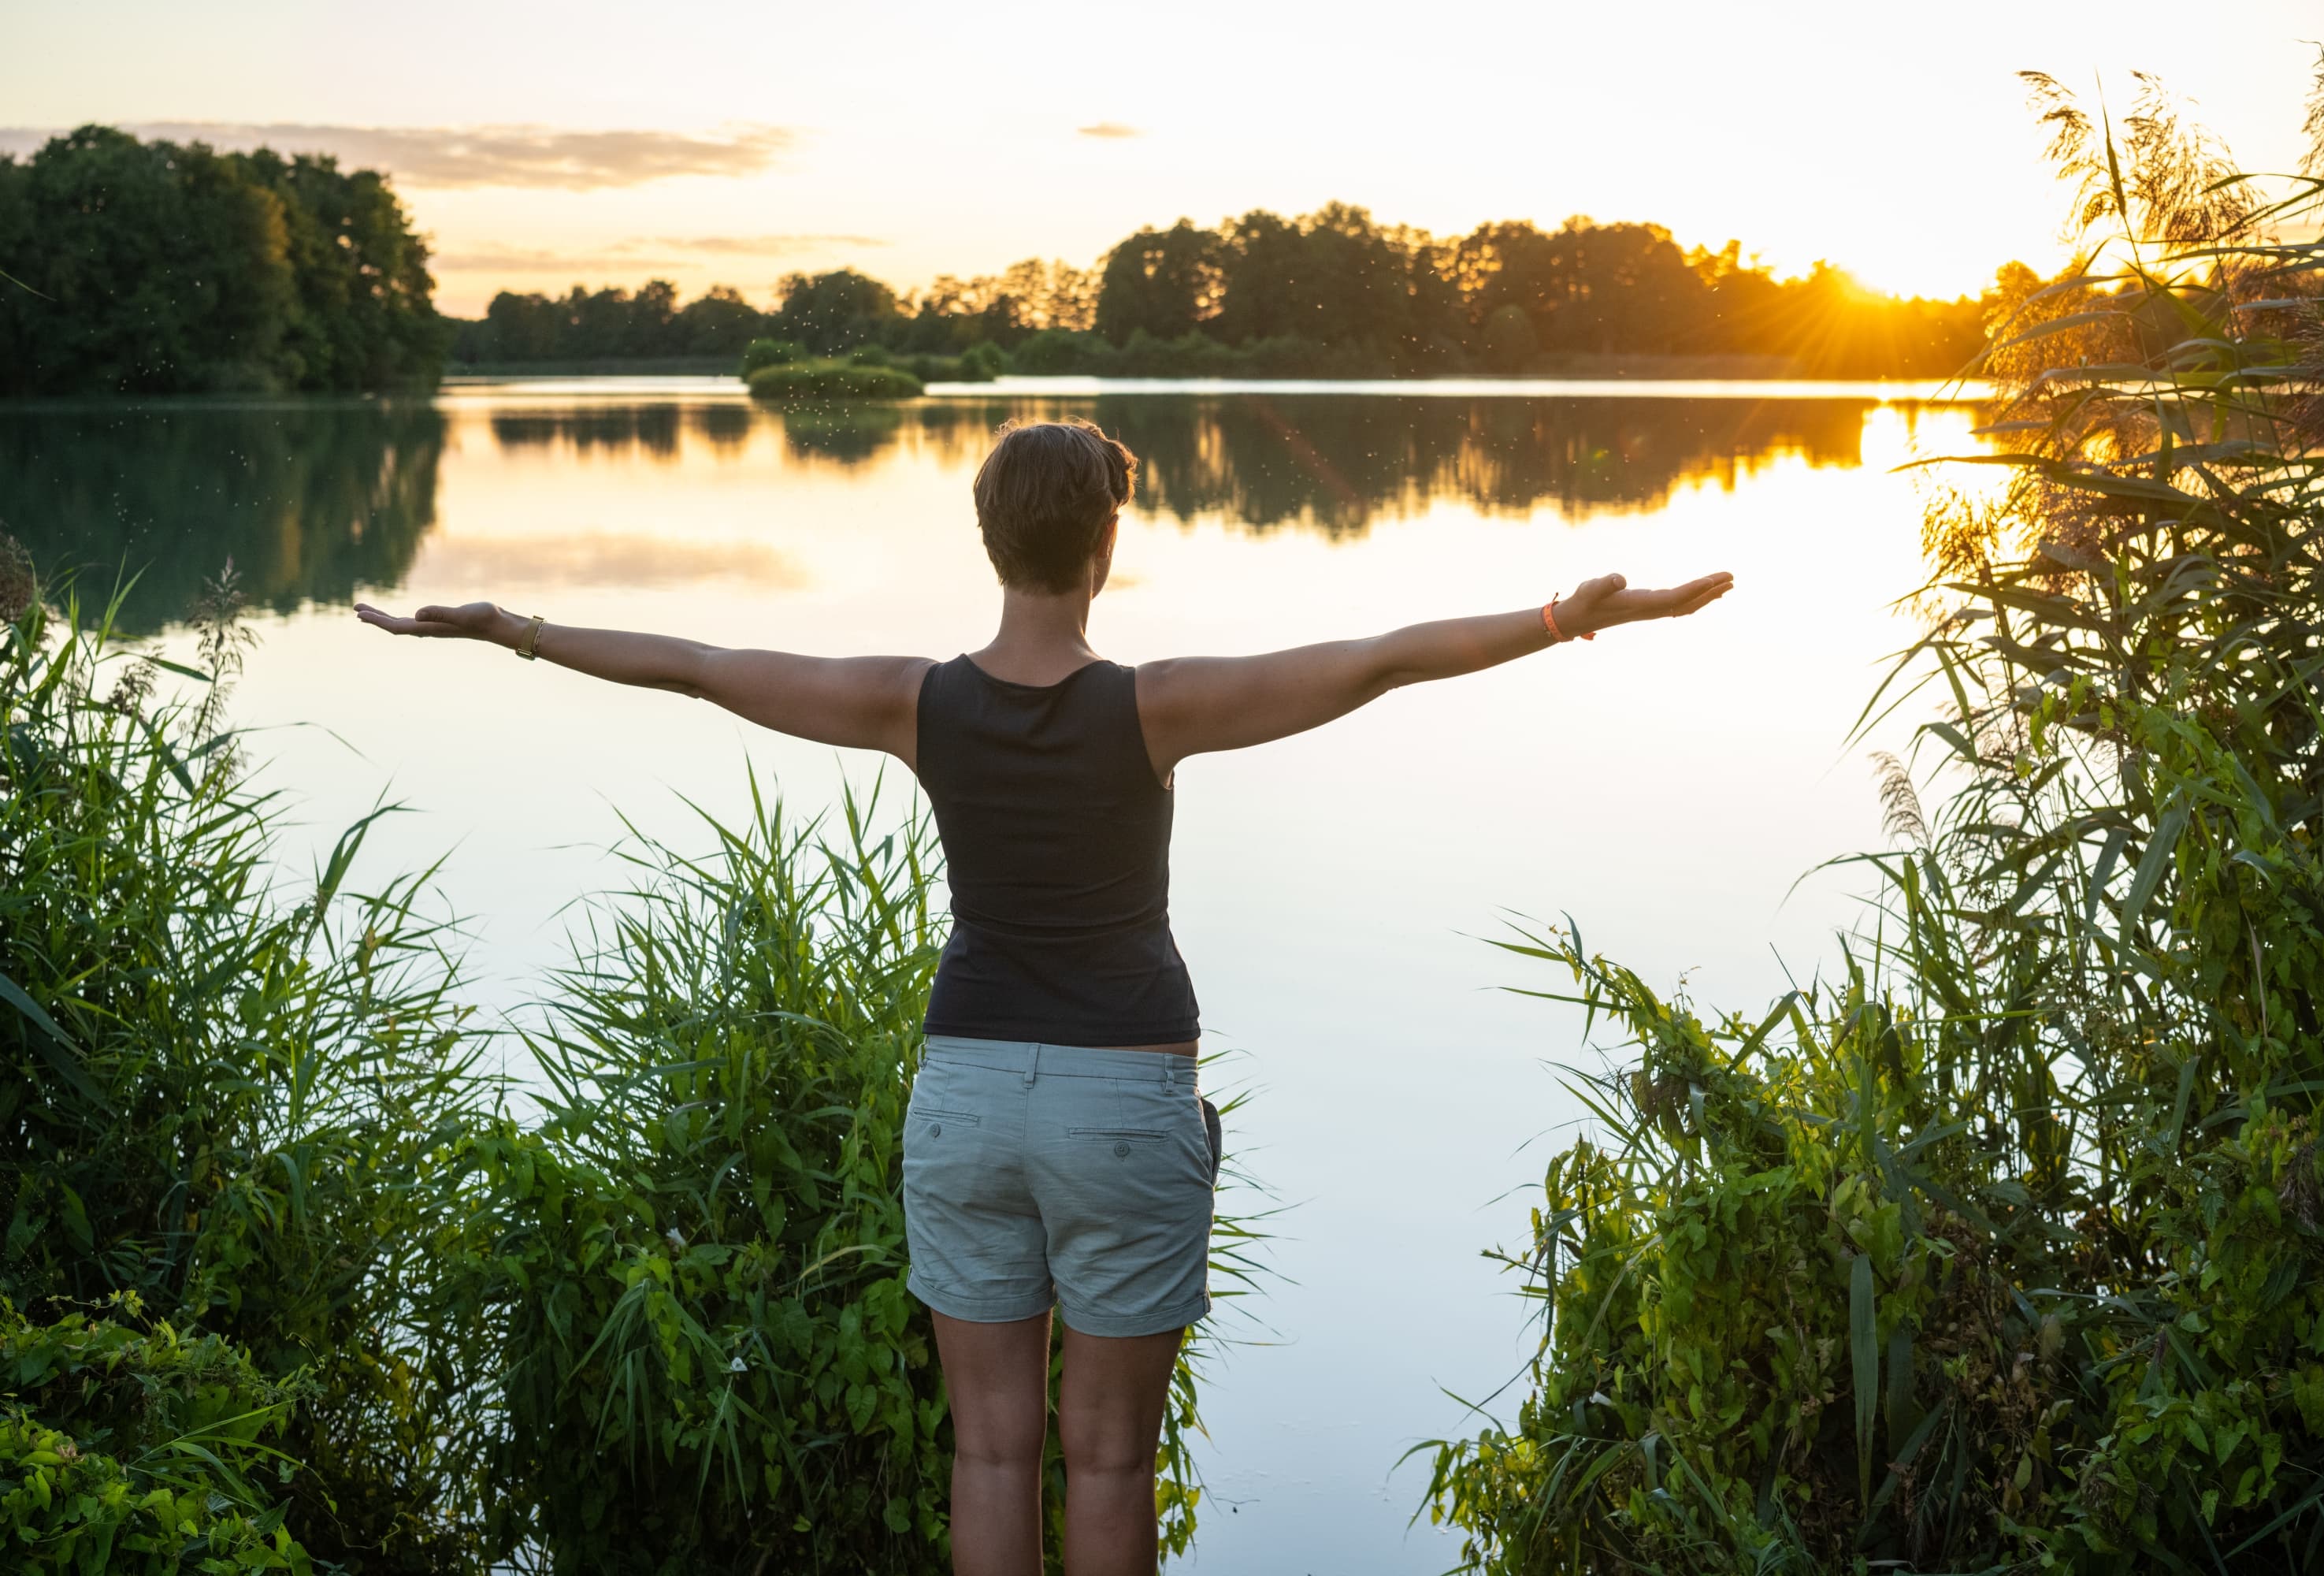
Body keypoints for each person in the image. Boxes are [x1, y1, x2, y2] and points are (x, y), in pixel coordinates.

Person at [357, 416, 1732, 1576]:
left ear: (989, 541)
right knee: (1111, 1458)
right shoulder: (1154, 705)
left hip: (962, 1099)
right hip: (1121, 1099)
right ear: (1106, 544)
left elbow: (702, 670)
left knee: (990, 1452)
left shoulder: (915, 702)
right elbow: (1375, 660)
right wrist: (1560, 620)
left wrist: (515, 629)